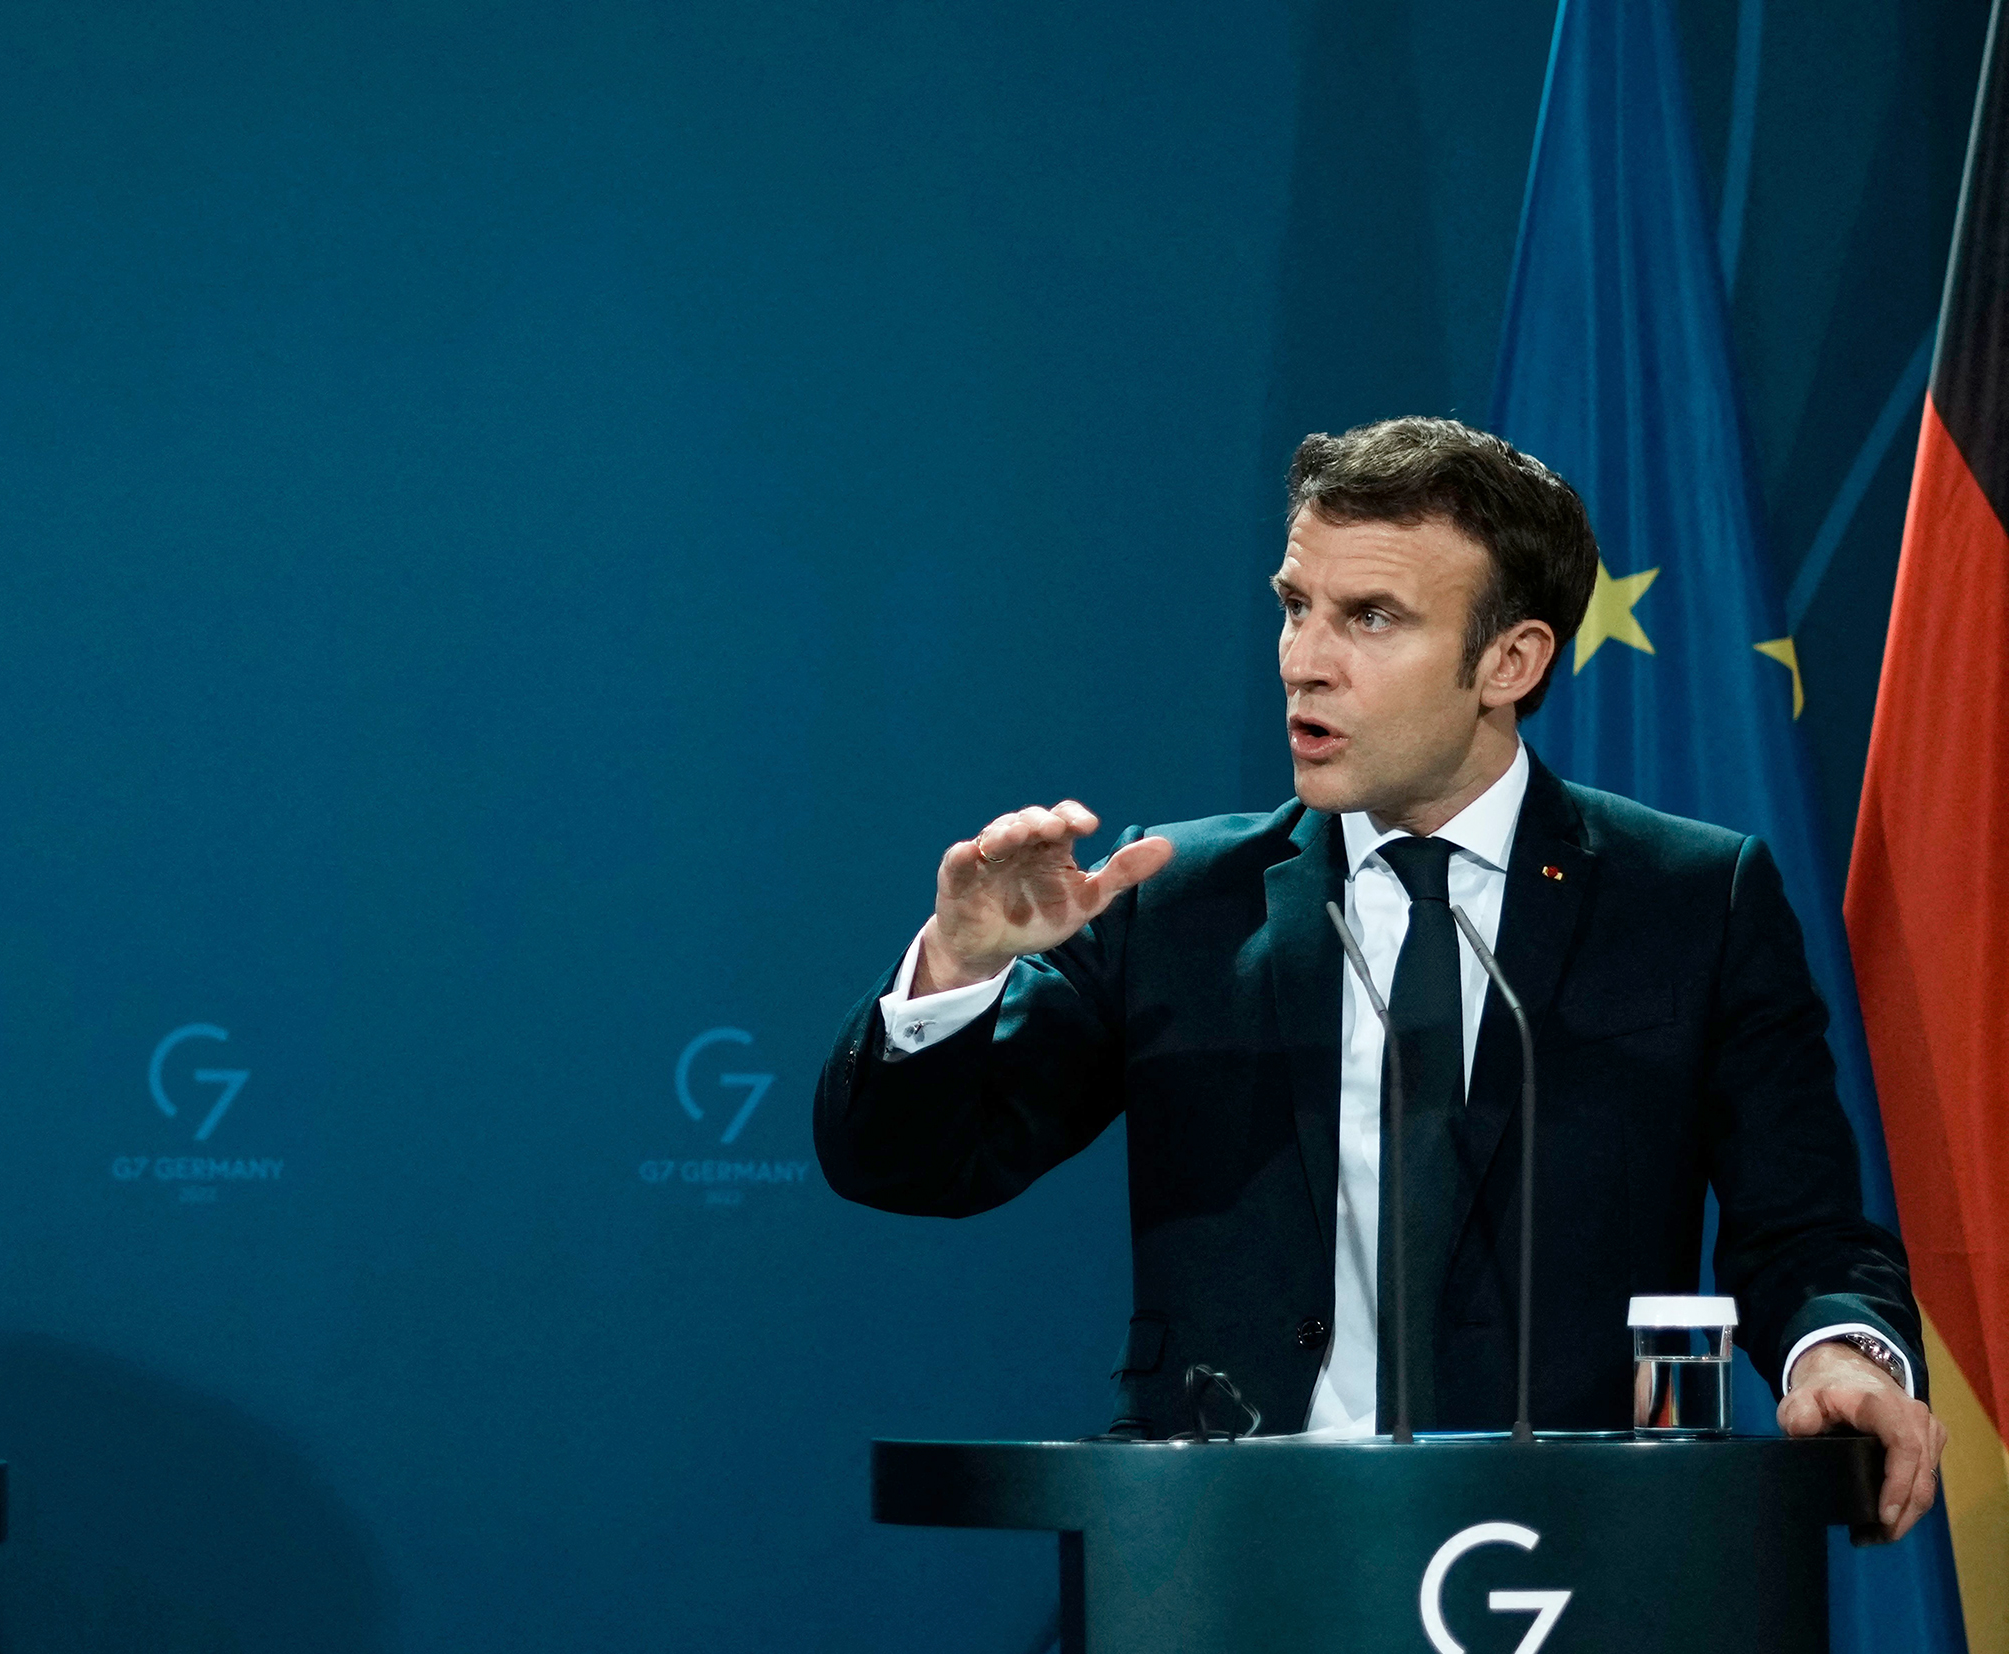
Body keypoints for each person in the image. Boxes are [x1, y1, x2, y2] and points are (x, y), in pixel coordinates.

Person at [813, 416, 1945, 1538]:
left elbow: (1803, 1228)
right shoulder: (1176, 900)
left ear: (1511, 660)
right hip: (1223, 1566)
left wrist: (1841, 1350)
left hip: (1569, 1563)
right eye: (1296, 605)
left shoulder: (1692, 901)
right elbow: (916, 1168)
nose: (1306, 659)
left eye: (1372, 617)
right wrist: (958, 963)